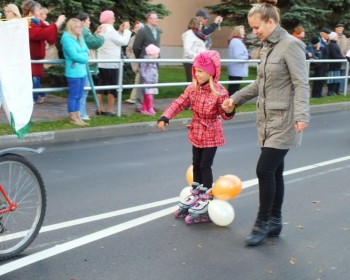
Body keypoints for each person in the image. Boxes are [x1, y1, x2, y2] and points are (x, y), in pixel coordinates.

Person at [222, 0, 310, 246]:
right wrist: (235, 99)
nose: (254, 32)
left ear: (271, 22)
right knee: (275, 172)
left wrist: (302, 114)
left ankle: (262, 223)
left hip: (285, 120)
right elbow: (260, 83)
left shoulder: (291, 46)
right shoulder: (267, 47)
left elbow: (301, 83)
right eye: (252, 27)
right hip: (267, 119)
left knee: (264, 170)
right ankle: (275, 221)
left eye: (257, 27)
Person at [158, 50, 235, 223]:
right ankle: (196, 194)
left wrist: (229, 109)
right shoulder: (192, 89)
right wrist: (166, 116)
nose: (197, 74)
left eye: (200, 71)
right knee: (196, 164)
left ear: (211, 72)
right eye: (196, 70)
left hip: (211, 133)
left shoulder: (220, 92)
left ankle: (206, 198)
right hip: (196, 130)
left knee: (205, 165)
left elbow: (226, 115)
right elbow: (179, 103)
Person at [21, 0, 66, 104]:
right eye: (38, 10)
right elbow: (41, 33)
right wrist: (57, 23)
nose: (40, 12)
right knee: (33, 79)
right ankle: (33, 99)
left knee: (36, 79)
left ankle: (37, 96)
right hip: (30, 59)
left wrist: (56, 25)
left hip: (37, 59)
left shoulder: (37, 22)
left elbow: (48, 30)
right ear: (31, 13)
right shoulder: (28, 24)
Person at [96, 10, 131, 116]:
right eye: (113, 17)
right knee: (113, 86)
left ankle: (100, 108)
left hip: (100, 62)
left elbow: (114, 40)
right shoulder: (110, 30)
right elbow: (123, 41)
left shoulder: (101, 28)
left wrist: (120, 31)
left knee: (100, 86)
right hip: (111, 63)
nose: (114, 19)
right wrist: (126, 30)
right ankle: (110, 109)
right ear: (109, 19)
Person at [75, 12, 105, 120]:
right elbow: (94, 43)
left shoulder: (83, 32)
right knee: (84, 90)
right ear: (82, 22)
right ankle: (81, 114)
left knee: (83, 90)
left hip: (84, 65)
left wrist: (96, 34)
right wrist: (101, 36)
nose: (89, 22)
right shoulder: (83, 32)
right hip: (85, 65)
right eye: (88, 20)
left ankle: (80, 113)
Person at [61, 18, 89, 126]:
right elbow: (73, 55)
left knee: (79, 95)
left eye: (80, 27)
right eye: (77, 27)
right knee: (74, 95)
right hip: (73, 72)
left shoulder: (80, 37)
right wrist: (85, 57)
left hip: (82, 71)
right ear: (71, 27)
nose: (80, 29)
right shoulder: (67, 38)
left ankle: (78, 115)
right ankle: (72, 117)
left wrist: (81, 54)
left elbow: (86, 49)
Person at [132, 11, 161, 112]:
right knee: (142, 81)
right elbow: (136, 46)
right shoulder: (143, 31)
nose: (157, 20)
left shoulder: (157, 31)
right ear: (149, 19)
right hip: (145, 60)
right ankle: (139, 104)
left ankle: (149, 104)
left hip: (155, 60)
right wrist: (141, 57)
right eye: (155, 18)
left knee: (152, 81)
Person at [182, 17, 207, 82]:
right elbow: (187, 50)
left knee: (197, 81)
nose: (202, 26)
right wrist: (197, 56)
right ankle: (189, 92)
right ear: (196, 24)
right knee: (192, 81)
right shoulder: (189, 34)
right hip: (190, 61)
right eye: (200, 24)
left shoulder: (198, 34)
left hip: (198, 61)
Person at [125, 21, 144, 104]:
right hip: (135, 62)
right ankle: (137, 98)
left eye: (139, 27)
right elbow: (128, 50)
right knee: (139, 79)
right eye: (136, 27)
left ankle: (134, 98)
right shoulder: (132, 38)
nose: (137, 29)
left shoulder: (144, 38)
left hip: (143, 62)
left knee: (139, 79)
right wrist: (131, 57)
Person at [227, 25, 249, 96]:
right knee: (234, 88)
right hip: (236, 70)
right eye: (242, 32)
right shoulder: (236, 42)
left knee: (233, 87)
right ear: (237, 32)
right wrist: (248, 57)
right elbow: (238, 56)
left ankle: (229, 103)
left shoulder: (235, 41)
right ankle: (230, 103)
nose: (244, 33)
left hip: (236, 70)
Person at [139, 44, 160, 115]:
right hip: (147, 81)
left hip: (152, 81)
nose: (158, 55)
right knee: (148, 96)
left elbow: (156, 71)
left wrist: (156, 78)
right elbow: (142, 69)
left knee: (148, 95)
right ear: (152, 54)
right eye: (157, 53)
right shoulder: (146, 60)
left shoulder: (154, 61)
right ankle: (150, 108)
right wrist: (144, 78)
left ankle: (144, 109)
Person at [326, 32, 343, 96]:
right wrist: (341, 58)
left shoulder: (335, 44)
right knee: (332, 78)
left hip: (337, 64)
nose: (337, 37)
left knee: (336, 78)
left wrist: (342, 57)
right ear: (332, 37)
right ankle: (330, 91)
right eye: (336, 36)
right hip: (333, 65)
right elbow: (334, 55)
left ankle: (335, 90)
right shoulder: (331, 44)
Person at [334, 23, 349, 93]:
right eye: (339, 28)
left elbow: (348, 47)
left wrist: (346, 55)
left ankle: (342, 89)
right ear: (336, 29)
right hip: (336, 59)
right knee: (336, 75)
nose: (340, 29)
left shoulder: (344, 37)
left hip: (344, 59)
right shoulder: (333, 37)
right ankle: (335, 90)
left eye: (341, 28)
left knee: (343, 75)